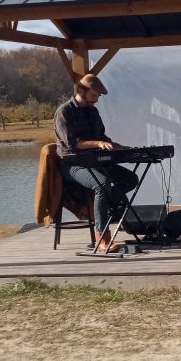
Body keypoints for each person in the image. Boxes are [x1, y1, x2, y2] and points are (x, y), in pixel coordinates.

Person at [53, 73, 138, 253]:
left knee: (131, 179)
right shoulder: (64, 111)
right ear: (81, 91)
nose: (96, 100)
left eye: (98, 97)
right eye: (94, 96)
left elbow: (102, 137)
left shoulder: (93, 111)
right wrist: (98, 144)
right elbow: (72, 144)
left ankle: (103, 207)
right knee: (102, 185)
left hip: (95, 160)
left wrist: (117, 146)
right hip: (72, 164)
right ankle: (102, 238)